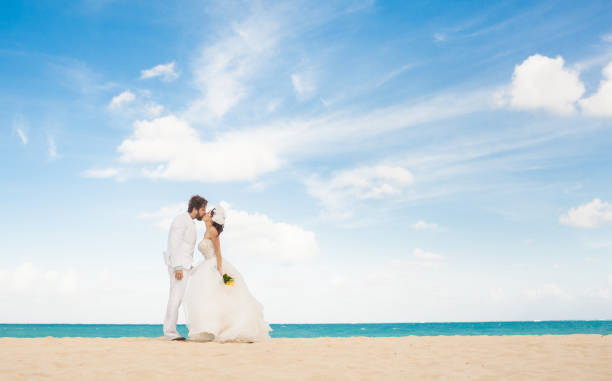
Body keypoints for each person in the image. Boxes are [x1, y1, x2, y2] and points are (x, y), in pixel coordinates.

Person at [183, 205, 271, 342]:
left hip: (214, 266)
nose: (206, 213)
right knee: (211, 299)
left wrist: (220, 272)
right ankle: (212, 328)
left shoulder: (212, 231)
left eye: (209, 212)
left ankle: (228, 328)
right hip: (206, 265)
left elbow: (218, 253)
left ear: (212, 218)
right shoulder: (207, 230)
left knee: (221, 298)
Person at [162, 195, 207, 340]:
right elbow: (174, 243)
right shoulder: (181, 220)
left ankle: (171, 332)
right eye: (202, 209)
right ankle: (170, 333)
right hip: (178, 265)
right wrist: (178, 267)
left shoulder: (190, 222)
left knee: (178, 298)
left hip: (185, 265)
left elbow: (186, 246)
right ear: (195, 208)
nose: (204, 212)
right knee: (175, 298)